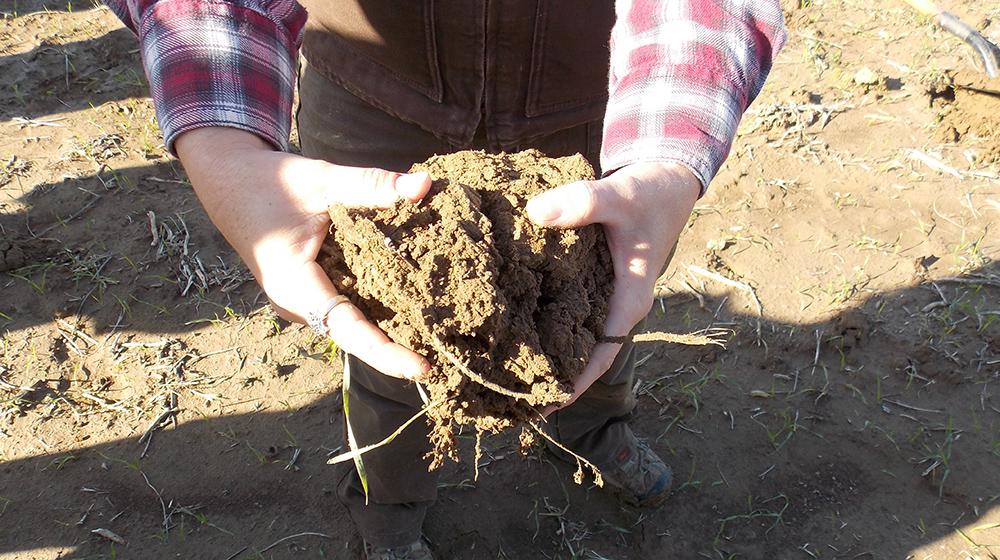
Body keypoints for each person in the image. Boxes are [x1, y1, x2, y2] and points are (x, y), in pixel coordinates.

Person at [105, 1, 785, 558]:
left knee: (589, 302)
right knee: (387, 341)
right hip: (373, 96)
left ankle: (591, 432)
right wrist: (222, 147)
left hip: (589, 94)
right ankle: (390, 507)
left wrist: (667, 159)